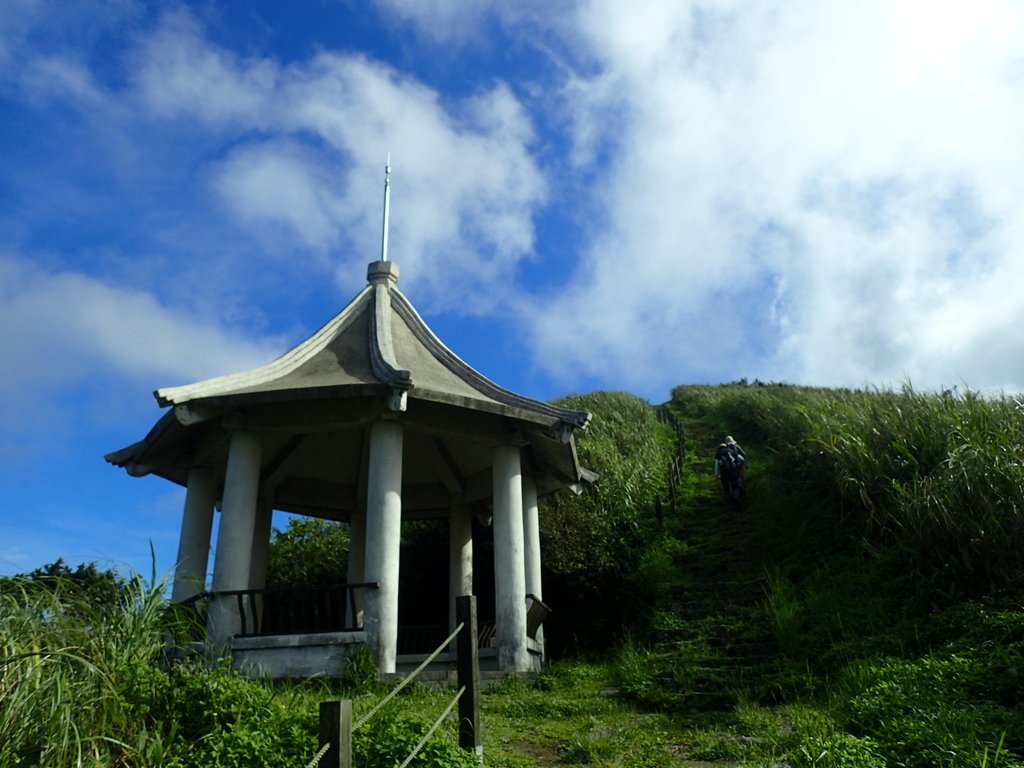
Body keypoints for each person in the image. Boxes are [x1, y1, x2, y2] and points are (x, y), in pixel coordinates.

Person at [714, 436, 746, 502]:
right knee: (735, 485)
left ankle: (728, 501)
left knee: (726, 487)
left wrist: (717, 475)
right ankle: (736, 497)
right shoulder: (732, 451)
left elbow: (717, 466)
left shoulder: (718, 454)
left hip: (724, 472)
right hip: (733, 469)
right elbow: (742, 459)